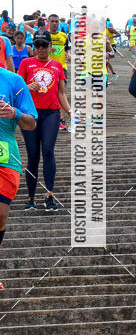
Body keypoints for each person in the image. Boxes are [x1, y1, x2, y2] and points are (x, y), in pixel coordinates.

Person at [18, 29, 71, 211]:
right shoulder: (26, 63)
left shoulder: (57, 66)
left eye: (43, 45)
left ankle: (49, 196)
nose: (40, 49)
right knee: (33, 155)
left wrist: (70, 110)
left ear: (50, 47)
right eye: (37, 45)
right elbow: (17, 90)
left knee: (48, 151)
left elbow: (61, 92)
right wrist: (27, 86)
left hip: (51, 113)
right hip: (30, 115)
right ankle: (31, 198)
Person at [0, 66, 37, 249]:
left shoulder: (14, 81)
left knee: (0, 216)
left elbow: (31, 123)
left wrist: (16, 113)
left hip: (5, 158)